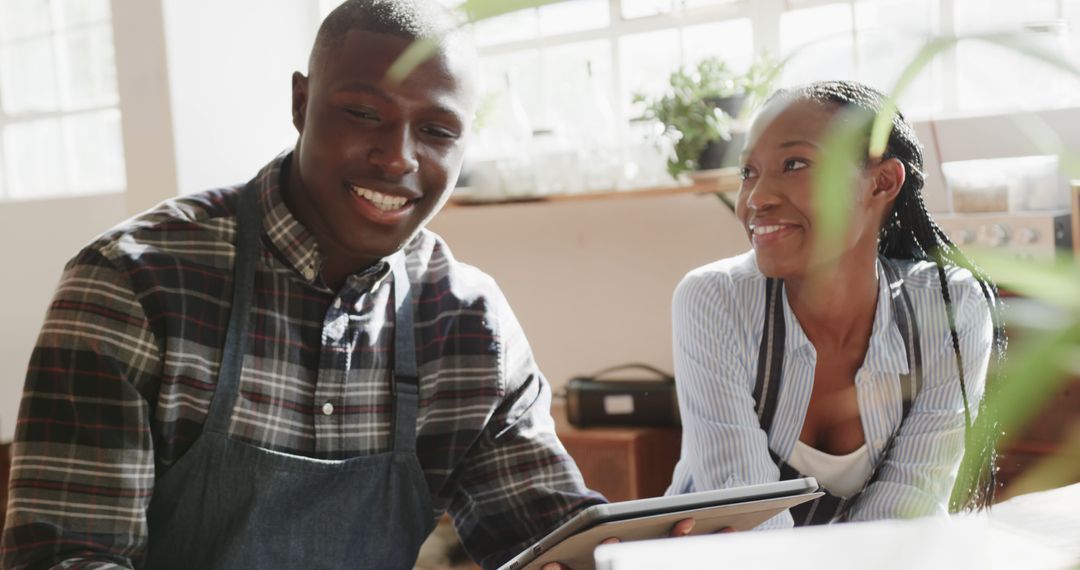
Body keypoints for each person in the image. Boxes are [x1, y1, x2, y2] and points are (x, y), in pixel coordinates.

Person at [1, 2, 614, 568]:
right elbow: (65, 558)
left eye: (437, 131)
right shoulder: (133, 284)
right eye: (364, 114)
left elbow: (550, 534)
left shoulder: (466, 321)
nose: (398, 157)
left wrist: (632, 549)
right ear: (301, 102)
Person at [666, 80, 1004, 527]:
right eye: (748, 172)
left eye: (794, 164)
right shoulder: (714, 301)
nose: (756, 198)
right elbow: (746, 516)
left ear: (882, 183)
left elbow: (909, 508)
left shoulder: (950, 308)